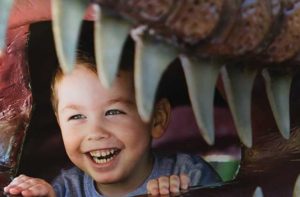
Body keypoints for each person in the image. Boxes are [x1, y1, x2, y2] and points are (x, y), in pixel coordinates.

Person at [4, 44, 220, 196]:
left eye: (113, 112)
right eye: (76, 116)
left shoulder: (190, 176)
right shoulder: (66, 190)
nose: (95, 131)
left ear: (157, 118)